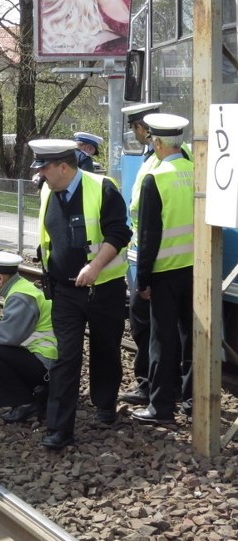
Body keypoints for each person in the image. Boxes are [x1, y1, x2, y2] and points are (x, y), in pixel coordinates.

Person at [30, 139, 132, 450]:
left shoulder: (103, 188)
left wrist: (95, 267)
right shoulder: (49, 189)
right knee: (66, 356)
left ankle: (104, 404)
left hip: (104, 288)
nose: (40, 175)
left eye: (44, 168)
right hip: (64, 290)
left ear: (64, 166)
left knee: (105, 348)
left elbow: (120, 232)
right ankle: (59, 429)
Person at [131, 114, 194, 425]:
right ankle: (193, 401)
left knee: (162, 340)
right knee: (192, 336)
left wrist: (143, 280)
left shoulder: (155, 179)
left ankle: (161, 407)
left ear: (157, 142)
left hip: (165, 270)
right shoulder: (195, 171)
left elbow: (148, 236)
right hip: (196, 268)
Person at [0, 249, 57, 423]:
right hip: (46, 360)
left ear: (0, 277)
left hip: (46, 365)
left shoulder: (20, 297)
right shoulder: (21, 288)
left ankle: (25, 404)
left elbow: (8, 336)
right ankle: (35, 393)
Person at [118, 102, 163, 405]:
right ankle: (158, 385)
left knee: (145, 324)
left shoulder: (156, 164)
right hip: (163, 257)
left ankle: (149, 385)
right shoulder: (168, 159)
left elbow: (148, 222)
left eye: (135, 128)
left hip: (155, 257)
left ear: (142, 129)